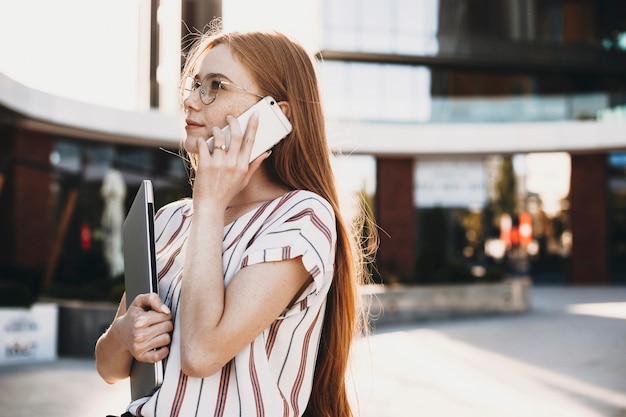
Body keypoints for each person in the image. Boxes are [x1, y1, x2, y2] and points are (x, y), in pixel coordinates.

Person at [95, 23, 375, 417]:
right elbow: (108, 368)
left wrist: (209, 201)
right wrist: (124, 335)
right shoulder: (171, 219)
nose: (192, 101)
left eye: (216, 86)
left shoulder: (302, 216)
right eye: (194, 84)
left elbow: (202, 353)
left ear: (276, 115)